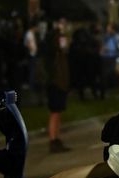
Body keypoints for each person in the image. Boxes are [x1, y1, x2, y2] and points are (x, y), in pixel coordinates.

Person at [45, 24, 72, 153]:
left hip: (59, 85)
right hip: (56, 85)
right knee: (55, 112)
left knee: (57, 113)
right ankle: (53, 139)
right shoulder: (54, 53)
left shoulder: (58, 53)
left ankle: (56, 138)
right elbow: (57, 71)